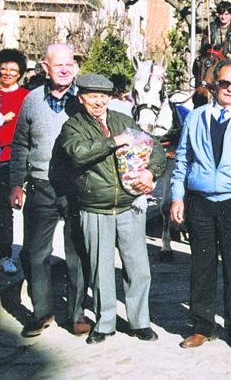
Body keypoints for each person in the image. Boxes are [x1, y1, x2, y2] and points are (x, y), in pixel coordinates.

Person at [58, 73, 165, 345]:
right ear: (81, 98)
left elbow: (156, 150)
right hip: (95, 207)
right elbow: (78, 152)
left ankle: (140, 321)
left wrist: (151, 173)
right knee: (100, 269)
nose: (98, 102)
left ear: (109, 97)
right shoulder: (73, 126)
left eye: (103, 96)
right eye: (92, 96)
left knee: (138, 267)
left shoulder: (123, 121)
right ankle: (105, 323)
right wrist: (113, 142)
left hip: (129, 207)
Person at [170, 60, 231, 351]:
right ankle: (202, 326)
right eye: (224, 83)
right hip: (200, 200)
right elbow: (183, 159)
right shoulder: (196, 117)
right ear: (214, 84)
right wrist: (177, 196)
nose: (230, 89)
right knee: (201, 264)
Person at [8, 44, 90, 338]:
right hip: (41, 185)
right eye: (59, 66)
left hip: (76, 186)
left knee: (78, 251)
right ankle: (42, 311)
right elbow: (20, 145)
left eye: (70, 64)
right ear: (45, 68)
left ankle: (77, 313)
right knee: (33, 253)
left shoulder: (84, 100)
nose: (66, 69)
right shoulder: (31, 101)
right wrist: (17, 183)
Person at [0, 49, 29, 275]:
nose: (7, 73)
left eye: (13, 69)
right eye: (3, 68)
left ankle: (4, 255)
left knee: (4, 210)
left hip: (8, 159)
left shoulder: (26, 96)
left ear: (20, 72)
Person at [204, 1, 231, 66]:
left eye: (226, 14)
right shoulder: (211, 27)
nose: (223, 17)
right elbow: (205, 43)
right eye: (221, 14)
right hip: (213, 57)